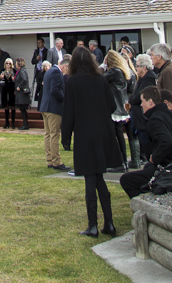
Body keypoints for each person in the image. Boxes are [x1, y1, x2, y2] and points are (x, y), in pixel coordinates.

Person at [62, 46, 121, 237]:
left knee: (89, 177)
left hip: (85, 134)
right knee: (99, 177)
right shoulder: (101, 80)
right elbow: (112, 105)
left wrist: (65, 138)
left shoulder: (72, 82)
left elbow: (68, 112)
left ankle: (93, 225)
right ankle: (109, 223)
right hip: (103, 133)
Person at [119, 85, 172, 198]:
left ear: (150, 102)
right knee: (147, 168)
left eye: (142, 101)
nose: (140, 104)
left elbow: (166, 141)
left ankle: (146, 206)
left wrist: (155, 158)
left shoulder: (155, 119)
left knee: (126, 180)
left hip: (169, 170)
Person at [103, 49, 132, 171]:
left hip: (114, 107)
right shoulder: (122, 71)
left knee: (114, 135)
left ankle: (118, 162)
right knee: (119, 135)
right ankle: (123, 161)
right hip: (121, 106)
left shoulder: (114, 71)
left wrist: (103, 66)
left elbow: (100, 79)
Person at [127, 55, 156, 168]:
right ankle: (142, 158)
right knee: (140, 137)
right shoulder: (142, 78)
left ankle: (149, 162)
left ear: (144, 67)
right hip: (138, 115)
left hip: (144, 117)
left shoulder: (149, 78)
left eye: (137, 66)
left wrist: (132, 100)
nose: (136, 68)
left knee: (146, 141)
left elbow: (141, 96)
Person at [40, 58, 68, 171]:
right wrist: (64, 99)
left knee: (48, 134)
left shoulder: (49, 71)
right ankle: (56, 161)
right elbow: (55, 90)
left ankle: (50, 160)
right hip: (53, 107)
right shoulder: (56, 72)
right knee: (54, 134)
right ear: (65, 66)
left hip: (45, 106)